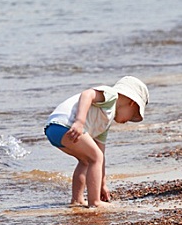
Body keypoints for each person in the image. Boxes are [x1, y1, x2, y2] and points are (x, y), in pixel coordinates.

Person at [44, 76, 149, 208]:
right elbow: (87, 94)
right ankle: (94, 202)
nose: (128, 120)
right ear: (132, 103)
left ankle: (77, 199)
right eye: (132, 115)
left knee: (87, 160)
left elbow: (101, 155)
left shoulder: (104, 122)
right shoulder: (111, 96)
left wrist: (102, 185)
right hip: (67, 124)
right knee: (95, 157)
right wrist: (80, 122)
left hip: (53, 130)